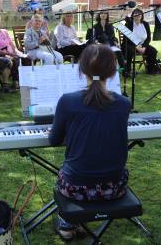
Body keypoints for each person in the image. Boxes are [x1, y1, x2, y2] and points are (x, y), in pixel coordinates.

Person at [49, 44, 131, 240]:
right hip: (114, 187)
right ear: (112, 72)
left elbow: (54, 140)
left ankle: (67, 224)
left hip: (74, 188)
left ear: (81, 69)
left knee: (69, 172)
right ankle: (71, 222)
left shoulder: (68, 101)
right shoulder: (124, 104)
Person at [0, 12, 22, 90]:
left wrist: (15, 52)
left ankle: (18, 81)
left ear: (0, 21)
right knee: (14, 60)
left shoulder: (4, 31)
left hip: (8, 53)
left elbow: (11, 43)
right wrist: (8, 53)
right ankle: (15, 82)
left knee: (20, 58)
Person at [124, 8, 160, 75]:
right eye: (135, 15)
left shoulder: (145, 24)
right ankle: (128, 70)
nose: (137, 17)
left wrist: (144, 47)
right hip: (130, 44)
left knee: (153, 51)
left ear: (141, 16)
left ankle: (151, 69)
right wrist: (137, 47)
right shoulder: (129, 24)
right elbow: (127, 39)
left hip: (143, 44)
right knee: (130, 51)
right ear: (132, 15)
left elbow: (148, 38)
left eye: (139, 15)